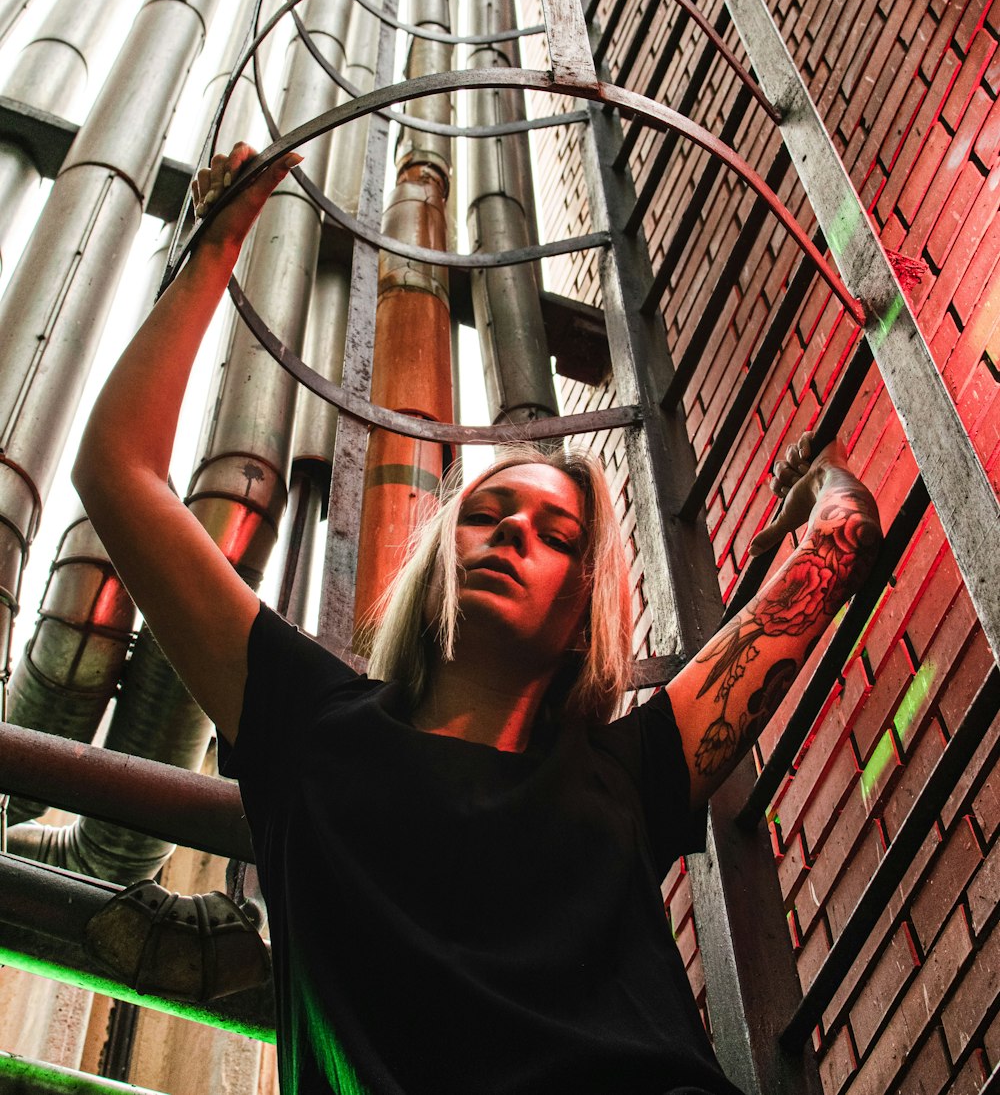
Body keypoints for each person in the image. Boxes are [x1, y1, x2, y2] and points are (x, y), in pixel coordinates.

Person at [73, 144, 882, 1094]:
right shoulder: (308, 725)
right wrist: (215, 250)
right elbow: (118, 472)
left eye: (554, 534)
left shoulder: (631, 770)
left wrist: (820, 481)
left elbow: (837, 555)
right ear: (442, 561)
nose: (509, 537)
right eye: (488, 517)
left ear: (585, 606)